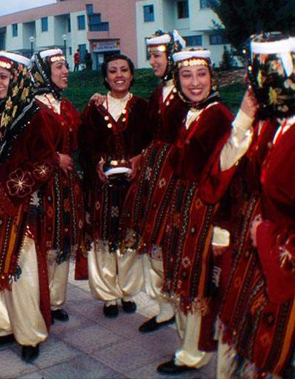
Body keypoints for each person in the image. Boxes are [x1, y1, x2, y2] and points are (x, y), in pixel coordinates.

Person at [201, 33, 295, 378]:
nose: (255, 84)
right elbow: (224, 177)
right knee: (240, 347)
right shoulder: (271, 123)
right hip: (253, 260)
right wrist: (244, 119)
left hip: (293, 271)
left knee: (275, 359)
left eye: (261, 75)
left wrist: (266, 236)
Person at [0, 51, 59, 363]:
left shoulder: (35, 115)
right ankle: (4, 325)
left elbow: (46, 164)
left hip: (19, 206)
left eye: (3, 77)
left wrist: (3, 176)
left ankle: (29, 333)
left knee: (21, 273)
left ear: (19, 77)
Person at [155, 48, 232, 375]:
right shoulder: (187, 112)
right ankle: (187, 347)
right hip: (183, 211)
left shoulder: (220, 117)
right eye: (186, 75)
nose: (195, 82)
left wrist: (222, 229)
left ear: (212, 77)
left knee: (199, 286)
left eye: (201, 74)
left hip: (206, 213)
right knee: (184, 282)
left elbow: (229, 177)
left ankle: (193, 353)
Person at [120, 30, 186, 335]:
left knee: (172, 242)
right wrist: (140, 157)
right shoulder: (160, 94)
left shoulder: (187, 93)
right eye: (151, 55)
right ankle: (164, 308)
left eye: (157, 55)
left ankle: (179, 308)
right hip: (155, 174)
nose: (152, 61)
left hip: (177, 177)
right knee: (155, 244)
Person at [78, 53, 153, 319]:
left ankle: (127, 292)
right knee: (104, 240)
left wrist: (141, 159)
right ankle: (108, 296)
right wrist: (96, 163)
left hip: (133, 185)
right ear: (105, 77)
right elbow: (84, 144)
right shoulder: (94, 108)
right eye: (113, 71)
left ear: (132, 75)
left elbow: (152, 143)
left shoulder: (144, 108)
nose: (119, 75)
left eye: (124, 70)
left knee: (130, 239)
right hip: (103, 186)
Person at [30, 48, 85, 324]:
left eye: (66, 66)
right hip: (41, 186)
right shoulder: (32, 107)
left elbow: (81, 131)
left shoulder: (64, 105)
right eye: (59, 67)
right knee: (43, 243)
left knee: (62, 242)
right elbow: (24, 148)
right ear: (44, 72)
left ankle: (56, 300)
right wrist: (55, 159)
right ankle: (40, 298)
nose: (65, 71)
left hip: (64, 186)